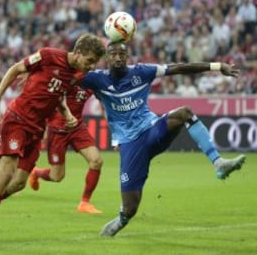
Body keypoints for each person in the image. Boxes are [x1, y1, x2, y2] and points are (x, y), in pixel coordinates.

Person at [80, 41, 246, 237]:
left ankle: (218, 163)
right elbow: (68, 75)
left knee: (185, 113)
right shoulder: (96, 79)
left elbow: (179, 68)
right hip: (130, 145)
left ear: (128, 57)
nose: (117, 57)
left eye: (121, 54)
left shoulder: (142, 72)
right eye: (113, 54)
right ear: (106, 58)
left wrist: (217, 66)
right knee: (131, 208)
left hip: (151, 131)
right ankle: (122, 219)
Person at [0, 33, 106, 250]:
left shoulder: (76, 74)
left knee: (18, 183)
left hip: (37, 128)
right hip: (17, 119)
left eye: (94, 63)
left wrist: (67, 115)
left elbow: (57, 96)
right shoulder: (48, 55)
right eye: (90, 60)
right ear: (79, 52)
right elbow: (16, 68)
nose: (91, 66)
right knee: (5, 172)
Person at [29, 85, 103, 214]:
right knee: (57, 176)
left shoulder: (90, 81)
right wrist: (44, 126)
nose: (90, 66)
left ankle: (84, 203)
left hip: (77, 128)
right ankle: (36, 173)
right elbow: (49, 101)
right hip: (57, 131)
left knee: (96, 161)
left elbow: (104, 98)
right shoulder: (67, 78)